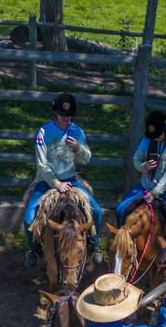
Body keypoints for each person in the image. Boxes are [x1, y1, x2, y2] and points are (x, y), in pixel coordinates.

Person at [22, 92, 105, 267]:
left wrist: (78, 148)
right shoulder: (44, 132)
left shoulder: (77, 131)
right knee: (29, 218)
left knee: (96, 211)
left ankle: (95, 245)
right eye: (62, 115)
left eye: (69, 115)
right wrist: (56, 184)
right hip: (46, 181)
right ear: (55, 113)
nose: (66, 118)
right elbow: (41, 164)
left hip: (72, 179)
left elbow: (86, 158)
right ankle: (34, 250)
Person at [114, 109, 166, 243]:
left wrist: (154, 193)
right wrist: (144, 166)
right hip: (145, 185)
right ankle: (123, 241)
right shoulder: (146, 140)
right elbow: (136, 160)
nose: (155, 138)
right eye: (153, 135)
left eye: (158, 134)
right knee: (120, 209)